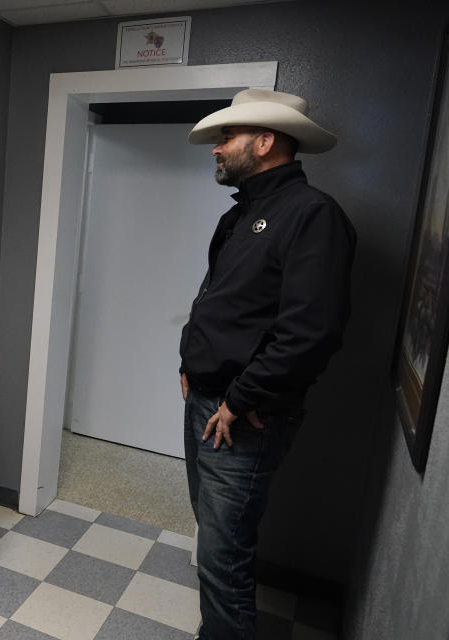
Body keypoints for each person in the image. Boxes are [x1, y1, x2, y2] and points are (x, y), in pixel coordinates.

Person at [179, 89, 356, 640]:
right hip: (206, 402)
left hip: (242, 416)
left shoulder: (312, 215)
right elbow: (220, 300)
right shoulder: (241, 215)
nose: (216, 149)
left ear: (264, 141)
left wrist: (241, 398)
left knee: (224, 560)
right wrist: (189, 359)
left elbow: (310, 332)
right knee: (212, 540)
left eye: (225, 138)